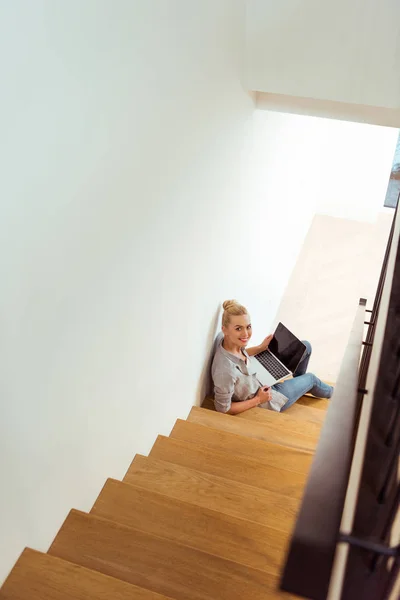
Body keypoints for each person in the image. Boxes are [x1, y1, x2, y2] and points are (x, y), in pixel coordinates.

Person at [211, 299, 333, 414]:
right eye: (238, 328)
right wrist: (258, 399)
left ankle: (299, 386)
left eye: (248, 327)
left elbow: (239, 354)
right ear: (224, 329)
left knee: (305, 346)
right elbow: (223, 408)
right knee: (311, 379)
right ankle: (335, 394)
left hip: (260, 377)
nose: (246, 334)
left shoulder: (229, 342)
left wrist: (260, 348)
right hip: (270, 397)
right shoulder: (224, 371)